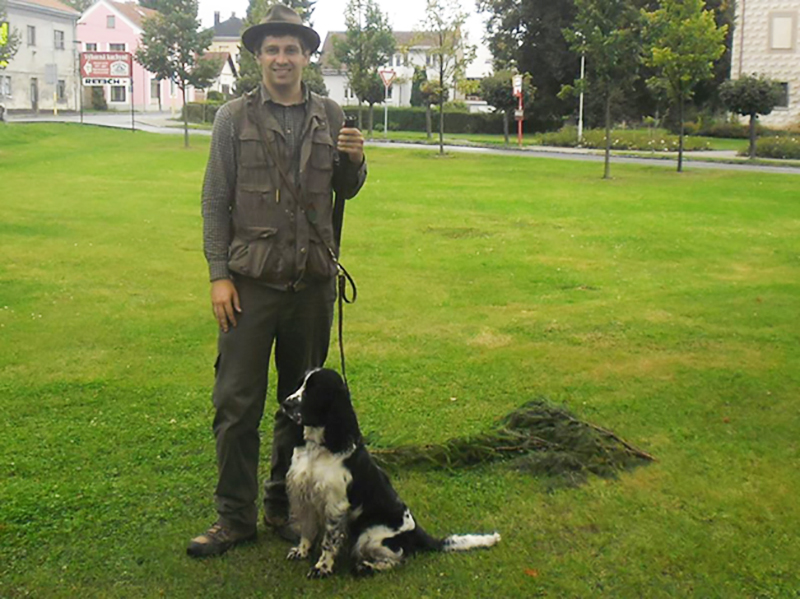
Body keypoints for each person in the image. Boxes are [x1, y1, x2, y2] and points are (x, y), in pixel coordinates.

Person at [188, 4, 367, 558]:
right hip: (250, 285)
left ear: (307, 56)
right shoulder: (231, 119)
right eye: (272, 49)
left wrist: (356, 164)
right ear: (258, 56)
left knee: (302, 408)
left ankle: (282, 507)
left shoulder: (332, 116)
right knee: (236, 403)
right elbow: (216, 202)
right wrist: (220, 276)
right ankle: (234, 518)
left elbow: (346, 190)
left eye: (292, 49)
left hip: (311, 285)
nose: (282, 58)